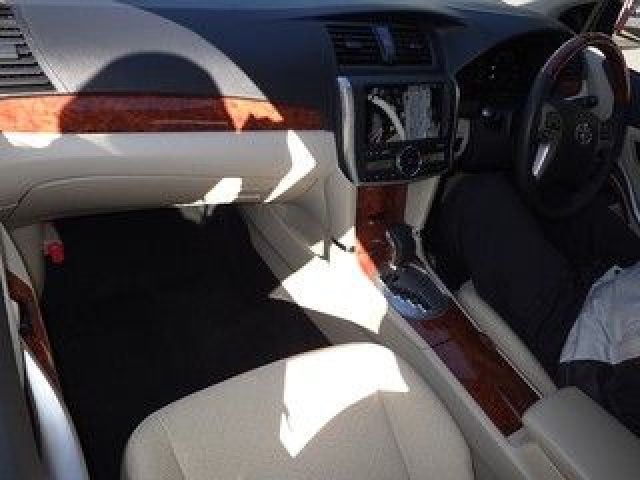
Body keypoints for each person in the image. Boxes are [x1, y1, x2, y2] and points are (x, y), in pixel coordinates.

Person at [428, 174, 640, 435]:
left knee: (478, 199)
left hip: (586, 342)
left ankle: (438, 273)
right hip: (625, 282)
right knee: (559, 192)